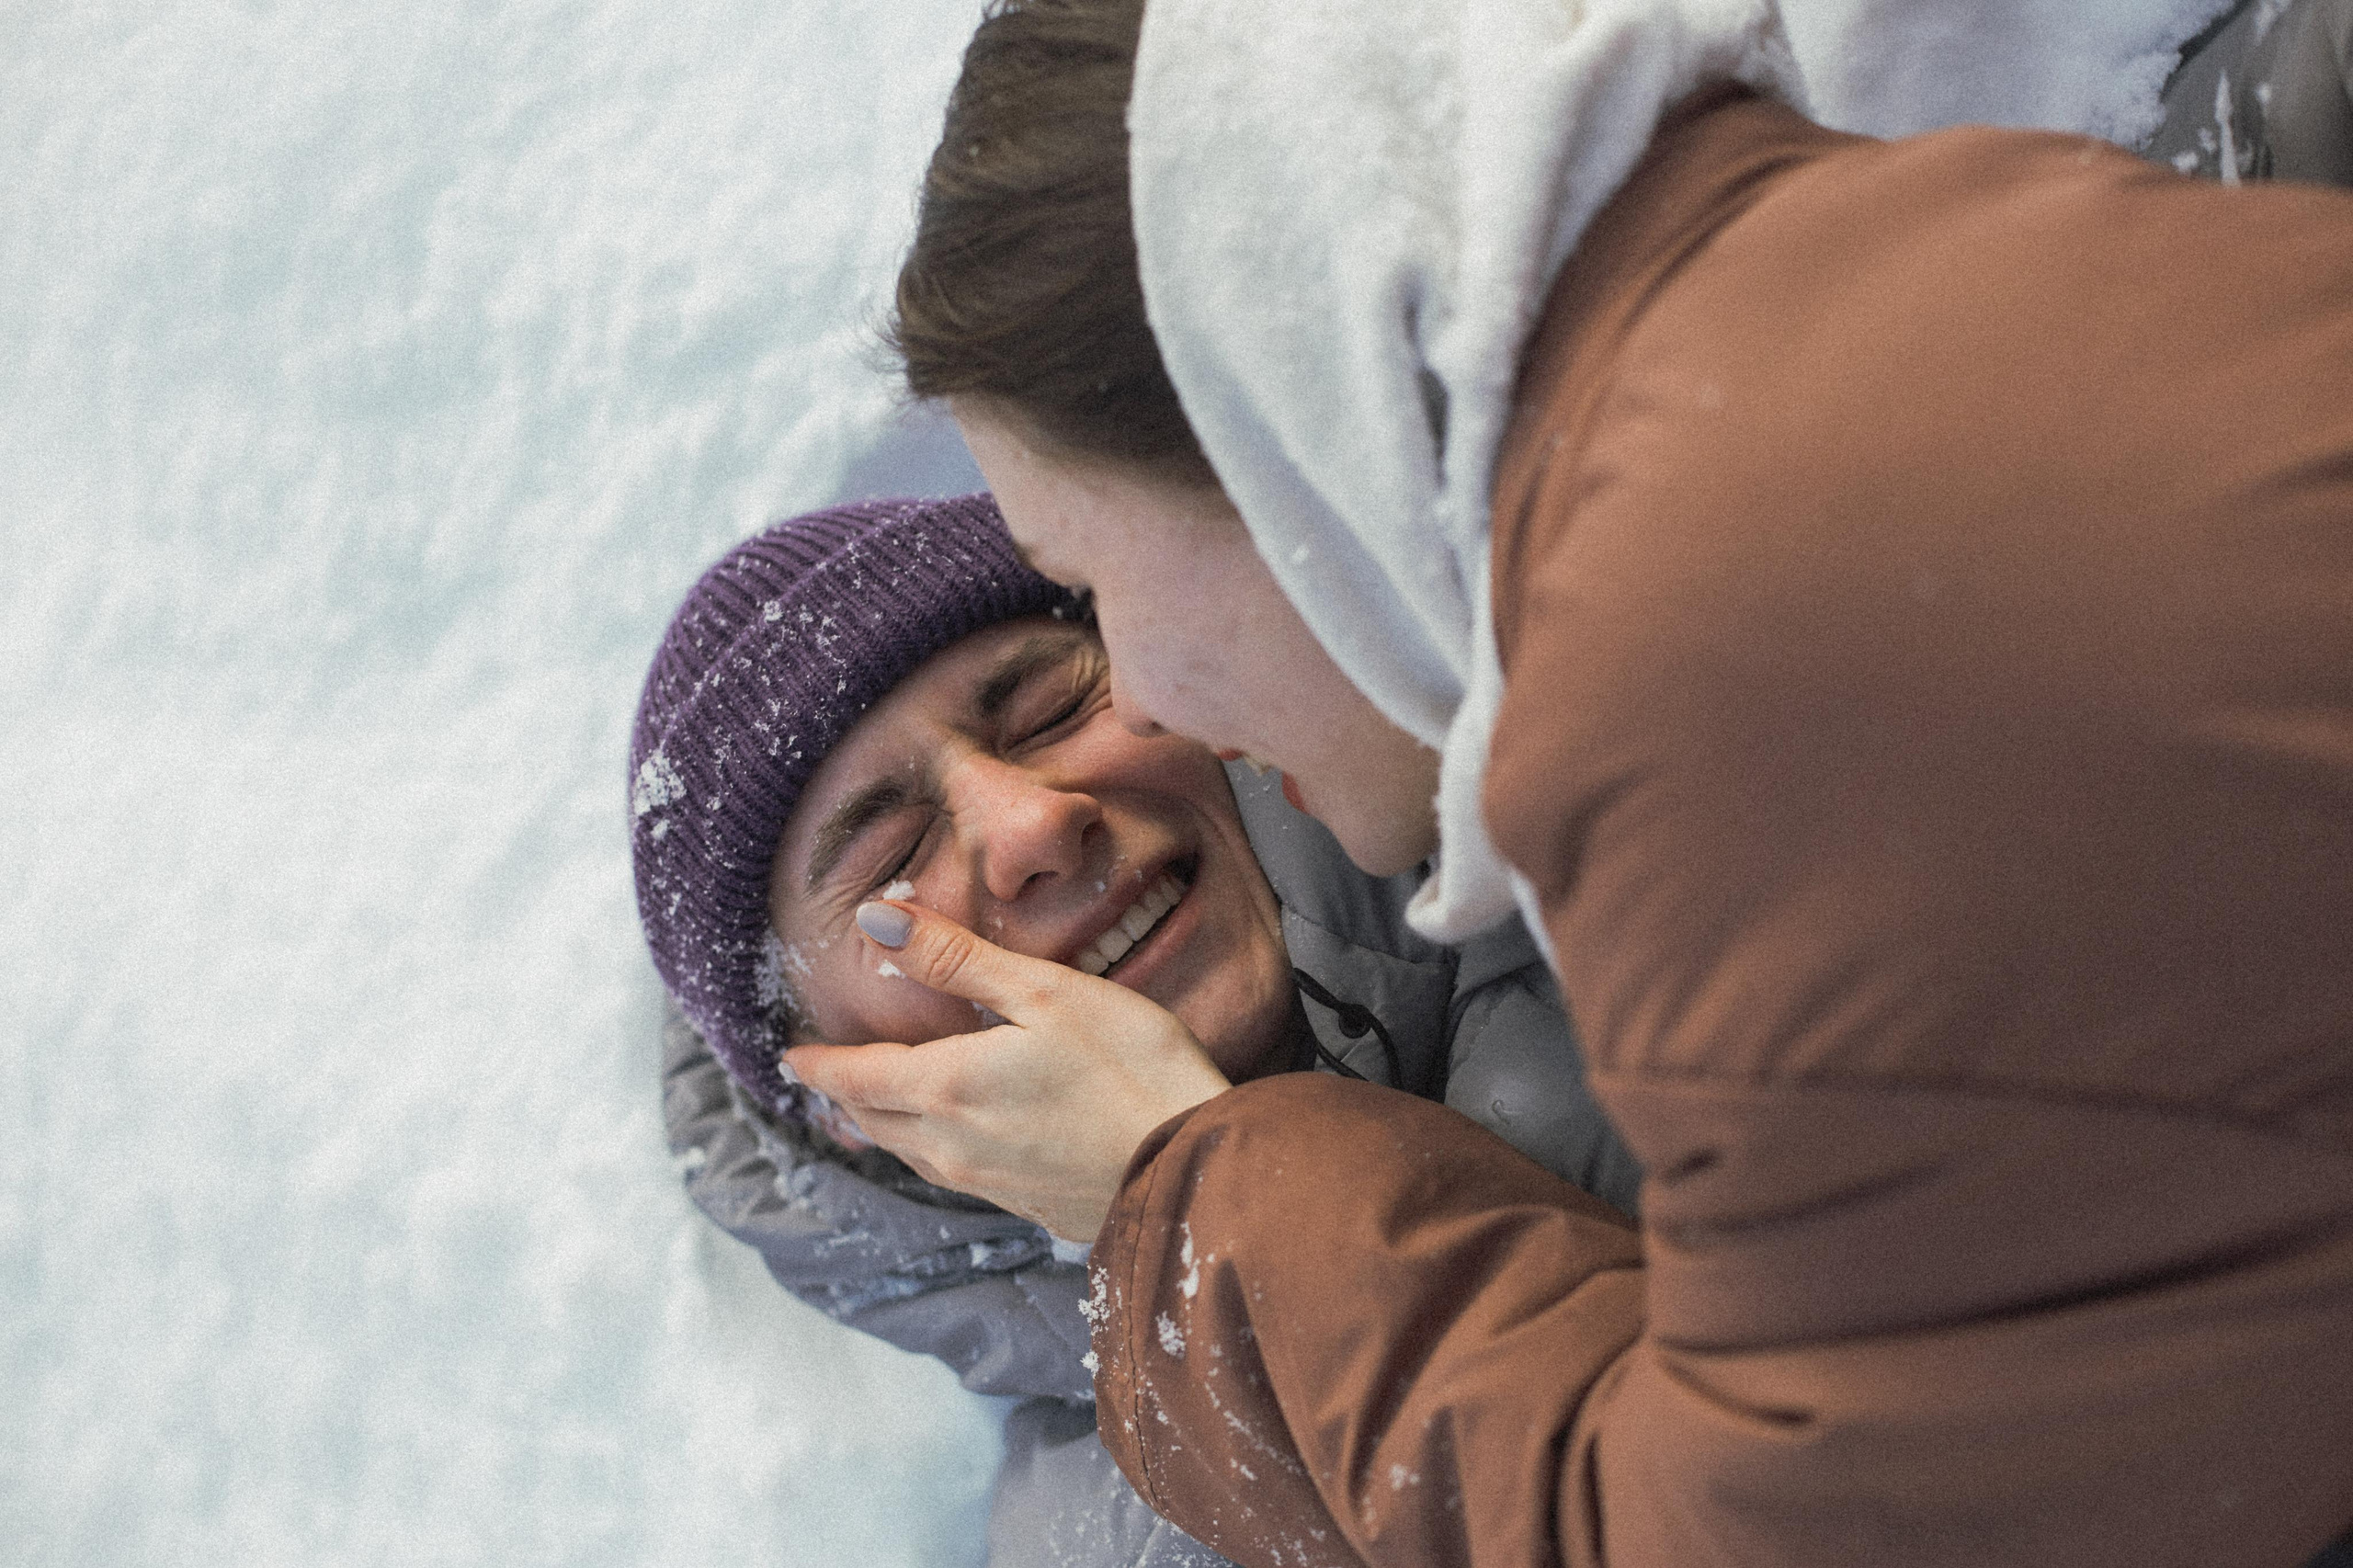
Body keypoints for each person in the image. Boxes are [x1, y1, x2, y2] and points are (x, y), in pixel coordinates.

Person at [786, 2, 2353, 1565]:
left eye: (1079, 611)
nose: (1139, 716)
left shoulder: (1713, 692)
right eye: (884, 875)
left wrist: (1181, 1205)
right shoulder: (1964, 268)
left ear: (1278, 434)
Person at [630, 494, 1641, 1568]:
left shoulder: (1628, 876)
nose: (1030, 822)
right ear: (846, 1106)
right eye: (889, 861)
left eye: (1054, 708)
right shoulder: (1103, 1545)